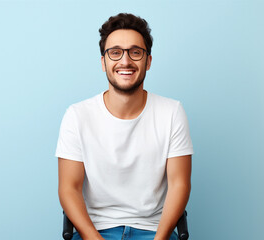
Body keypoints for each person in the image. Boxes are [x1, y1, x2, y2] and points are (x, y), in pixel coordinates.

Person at [56, 13, 193, 240]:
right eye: (115, 52)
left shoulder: (172, 112)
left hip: (153, 230)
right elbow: (68, 188)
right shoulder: (77, 115)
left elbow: (180, 184)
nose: (125, 61)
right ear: (104, 62)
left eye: (135, 52)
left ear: (148, 61)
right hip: (95, 230)